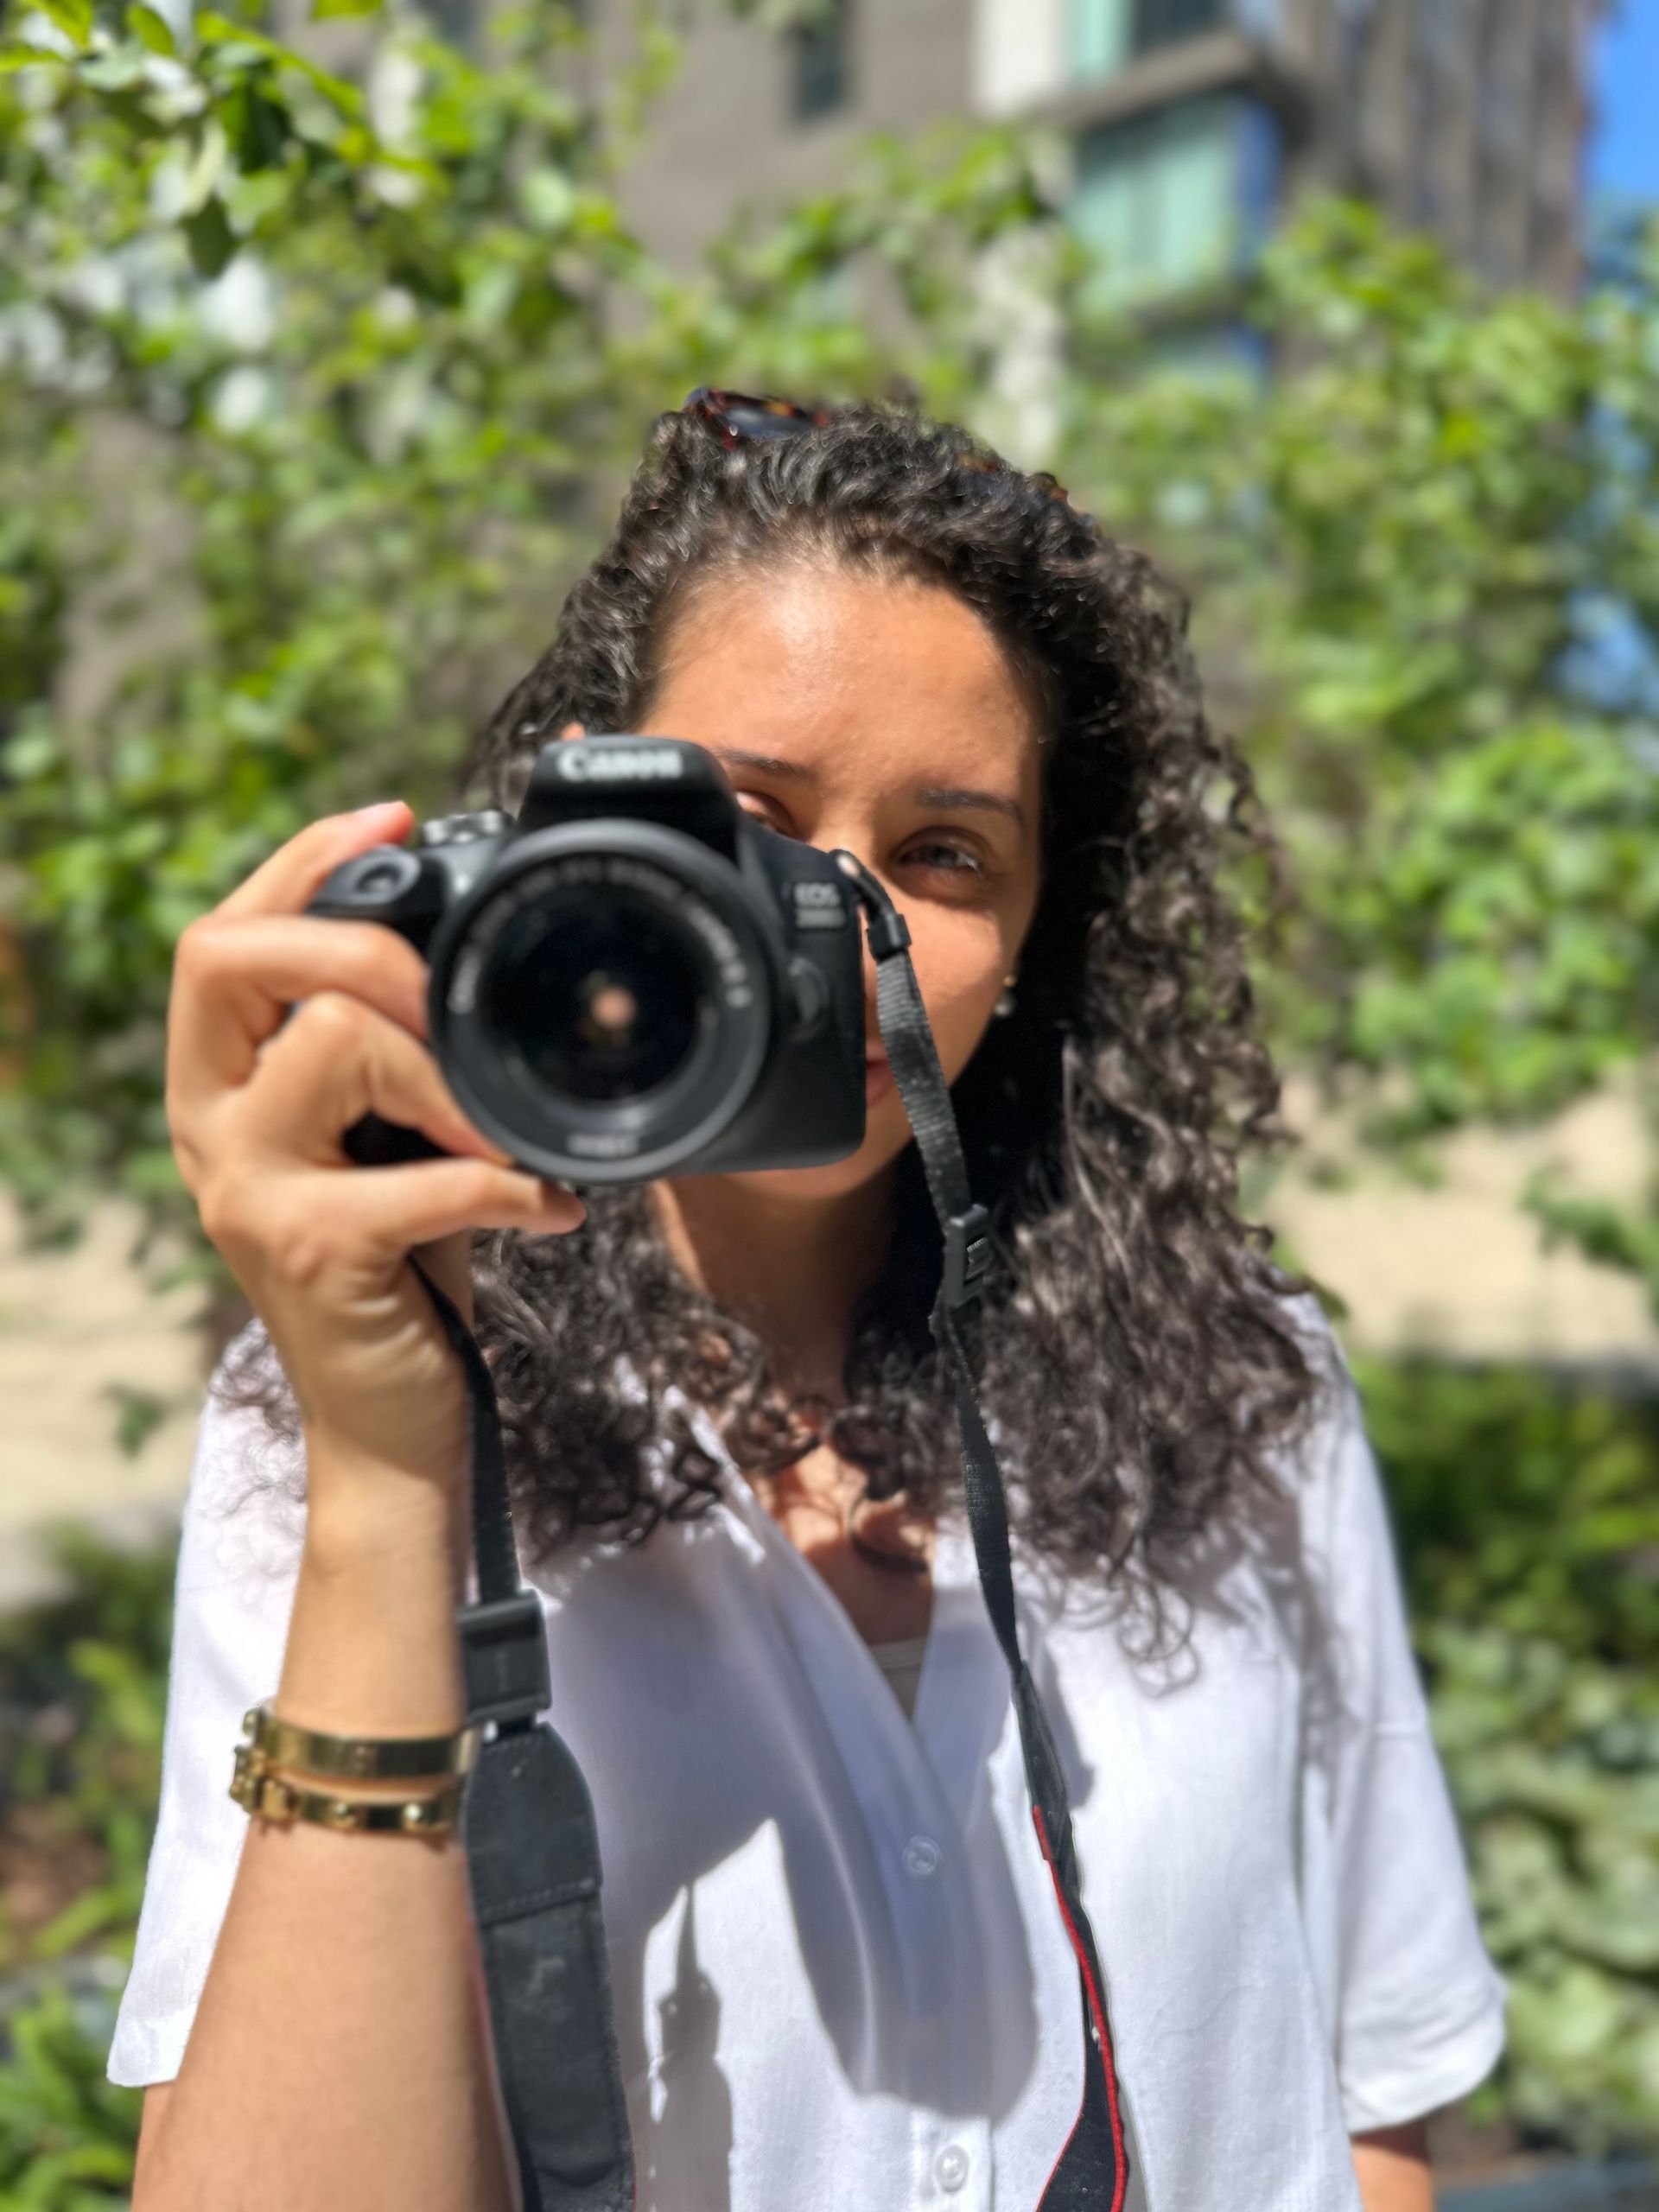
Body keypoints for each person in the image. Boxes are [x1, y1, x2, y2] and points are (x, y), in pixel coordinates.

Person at [110, 392, 1505, 2212]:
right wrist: (386, 1481)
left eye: (943, 855)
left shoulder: (1251, 1384)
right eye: (750, 826)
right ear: (586, 839)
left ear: (1038, 937)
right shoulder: (334, 1407)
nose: (840, 926)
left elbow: (1371, 2105)